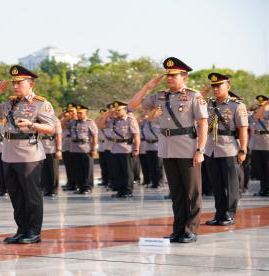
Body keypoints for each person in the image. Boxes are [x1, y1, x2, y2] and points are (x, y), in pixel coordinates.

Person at [129, 57, 208, 243]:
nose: (169, 78)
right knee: (177, 193)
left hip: (188, 147)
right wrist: (147, 86)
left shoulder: (193, 96)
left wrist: (200, 150)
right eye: (168, 75)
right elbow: (131, 106)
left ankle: (191, 230)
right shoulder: (160, 96)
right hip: (167, 148)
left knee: (192, 192)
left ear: (184, 77)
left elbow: (203, 124)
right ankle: (178, 230)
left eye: (174, 75)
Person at [0, 65, 55, 244]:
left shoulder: (41, 103)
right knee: (16, 196)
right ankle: (21, 230)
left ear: (30, 83)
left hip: (29, 155)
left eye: (19, 83)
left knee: (32, 196)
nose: (15, 86)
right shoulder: (10, 102)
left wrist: (32, 125)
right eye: (13, 83)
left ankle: (33, 232)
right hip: (8, 154)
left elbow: (51, 128)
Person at [203, 73, 248, 226]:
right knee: (216, 184)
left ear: (228, 87)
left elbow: (243, 129)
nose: (215, 89)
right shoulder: (208, 104)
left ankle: (229, 214)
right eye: (213, 86)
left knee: (230, 184)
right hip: (210, 149)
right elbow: (195, 102)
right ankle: (219, 213)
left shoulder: (237, 105)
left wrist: (243, 150)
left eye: (218, 86)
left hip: (229, 148)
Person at [98, 101, 140, 198]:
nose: (116, 112)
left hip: (126, 148)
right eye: (114, 110)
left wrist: (136, 148)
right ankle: (120, 191)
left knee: (127, 171)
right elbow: (100, 126)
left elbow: (136, 135)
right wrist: (106, 115)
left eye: (118, 110)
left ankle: (128, 191)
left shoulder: (130, 120)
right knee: (117, 171)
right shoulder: (112, 120)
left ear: (125, 110)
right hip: (114, 148)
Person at [71, 104, 98, 194]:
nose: (78, 114)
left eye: (80, 113)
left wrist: (94, 149)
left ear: (86, 113)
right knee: (78, 169)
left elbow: (94, 136)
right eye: (77, 113)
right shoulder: (73, 122)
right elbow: (62, 125)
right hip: (75, 148)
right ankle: (80, 186)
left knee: (87, 169)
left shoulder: (90, 122)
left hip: (86, 148)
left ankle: (88, 187)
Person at [250, 94, 269, 197]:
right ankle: (263, 189)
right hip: (257, 143)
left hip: (267, 144)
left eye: (264, 103)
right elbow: (253, 117)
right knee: (260, 168)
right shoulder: (256, 112)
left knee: (267, 167)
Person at [41, 117, 62, 197]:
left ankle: (53, 189)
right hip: (40, 148)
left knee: (53, 170)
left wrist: (59, 149)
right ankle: (46, 188)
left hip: (51, 148)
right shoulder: (38, 120)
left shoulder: (55, 120)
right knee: (44, 171)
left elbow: (58, 136)